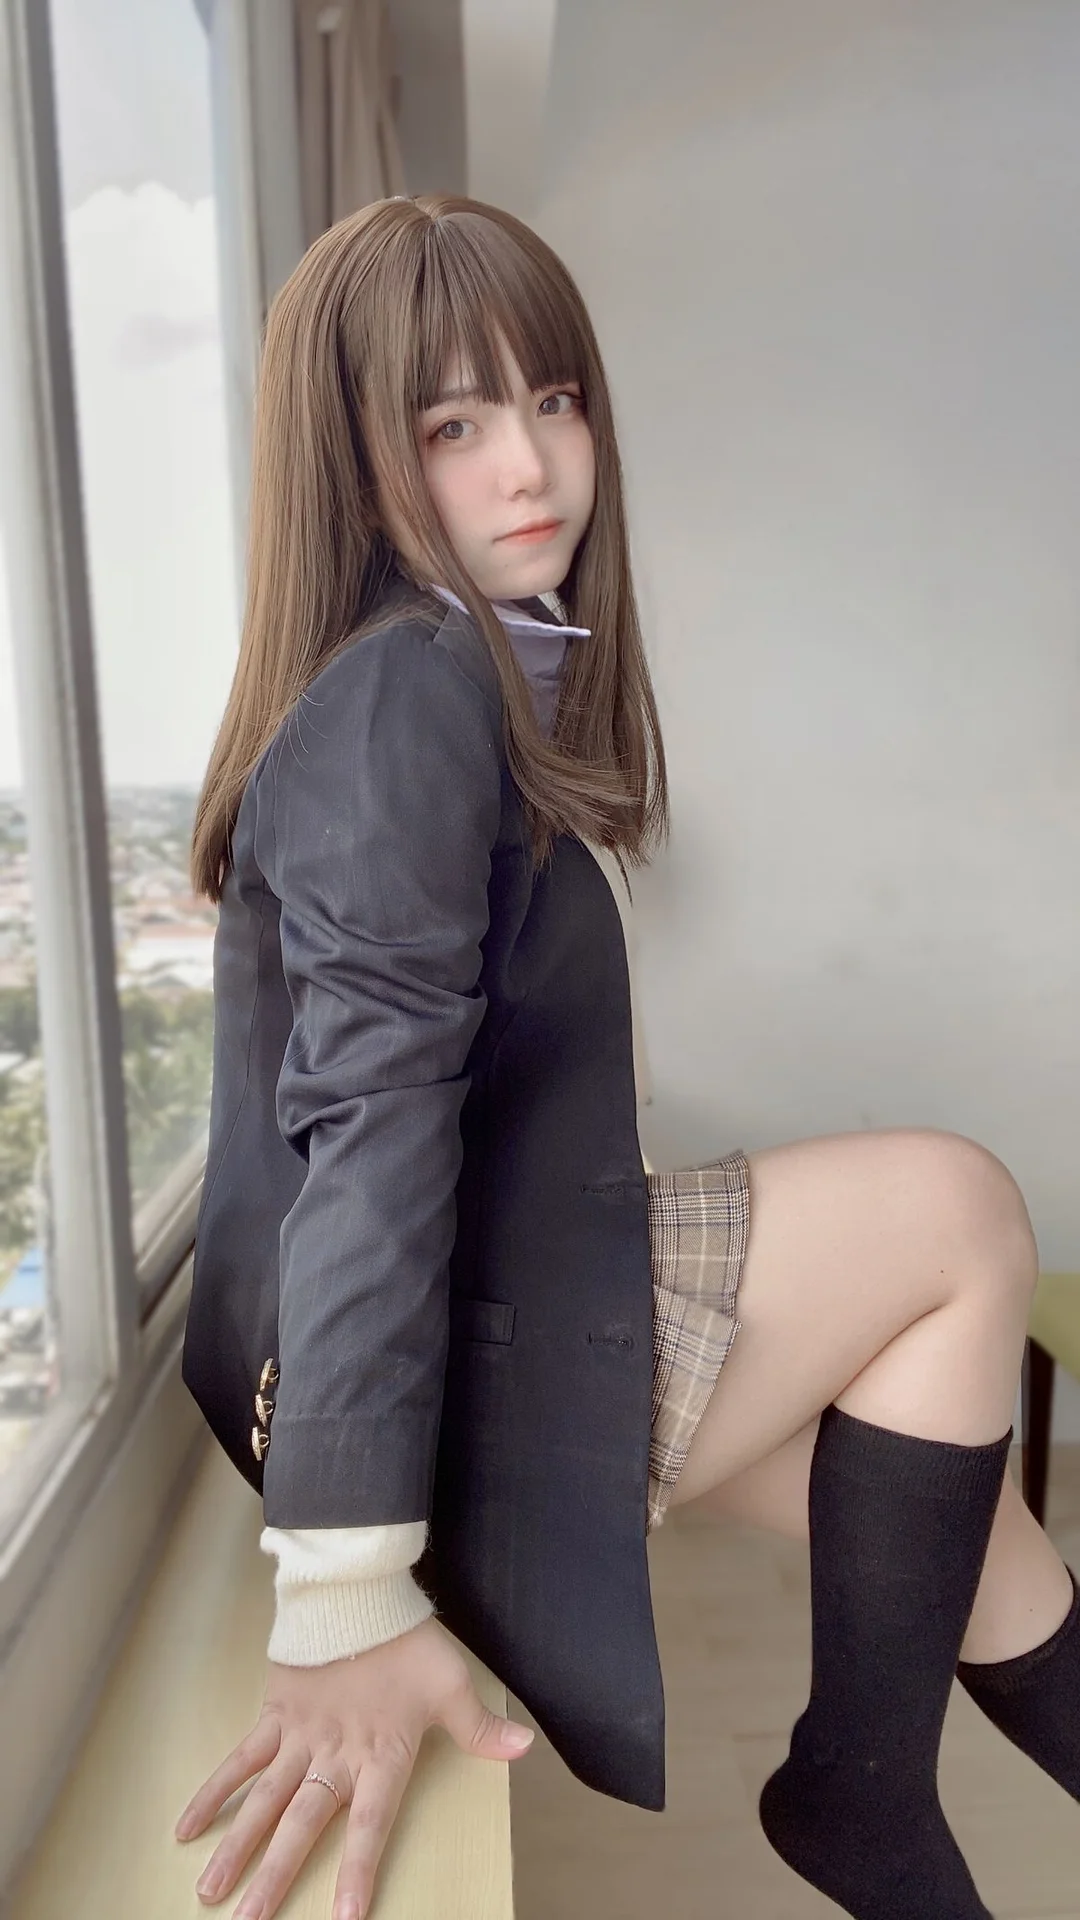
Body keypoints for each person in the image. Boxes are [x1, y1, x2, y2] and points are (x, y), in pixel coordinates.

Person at [175, 194, 1080, 1920]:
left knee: (961, 1528)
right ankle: (866, 1791)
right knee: (958, 1208)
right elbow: (370, 1134)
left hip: (445, 1319)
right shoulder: (405, 692)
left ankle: (866, 1804)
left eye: (555, 400)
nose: (531, 465)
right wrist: (344, 1593)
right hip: (417, 1386)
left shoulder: (424, 672)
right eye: (453, 425)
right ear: (352, 458)